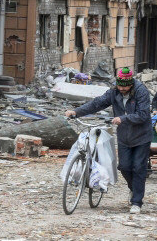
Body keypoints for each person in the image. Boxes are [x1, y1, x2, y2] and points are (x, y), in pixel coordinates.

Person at [65, 67, 152, 214]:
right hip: (124, 136)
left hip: (141, 136)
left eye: (125, 86)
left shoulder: (141, 91)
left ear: (131, 84)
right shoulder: (114, 91)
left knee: (138, 167)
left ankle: (136, 201)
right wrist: (77, 112)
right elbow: (97, 103)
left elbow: (143, 115)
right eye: (119, 85)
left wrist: (123, 118)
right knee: (124, 166)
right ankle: (134, 188)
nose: (122, 88)